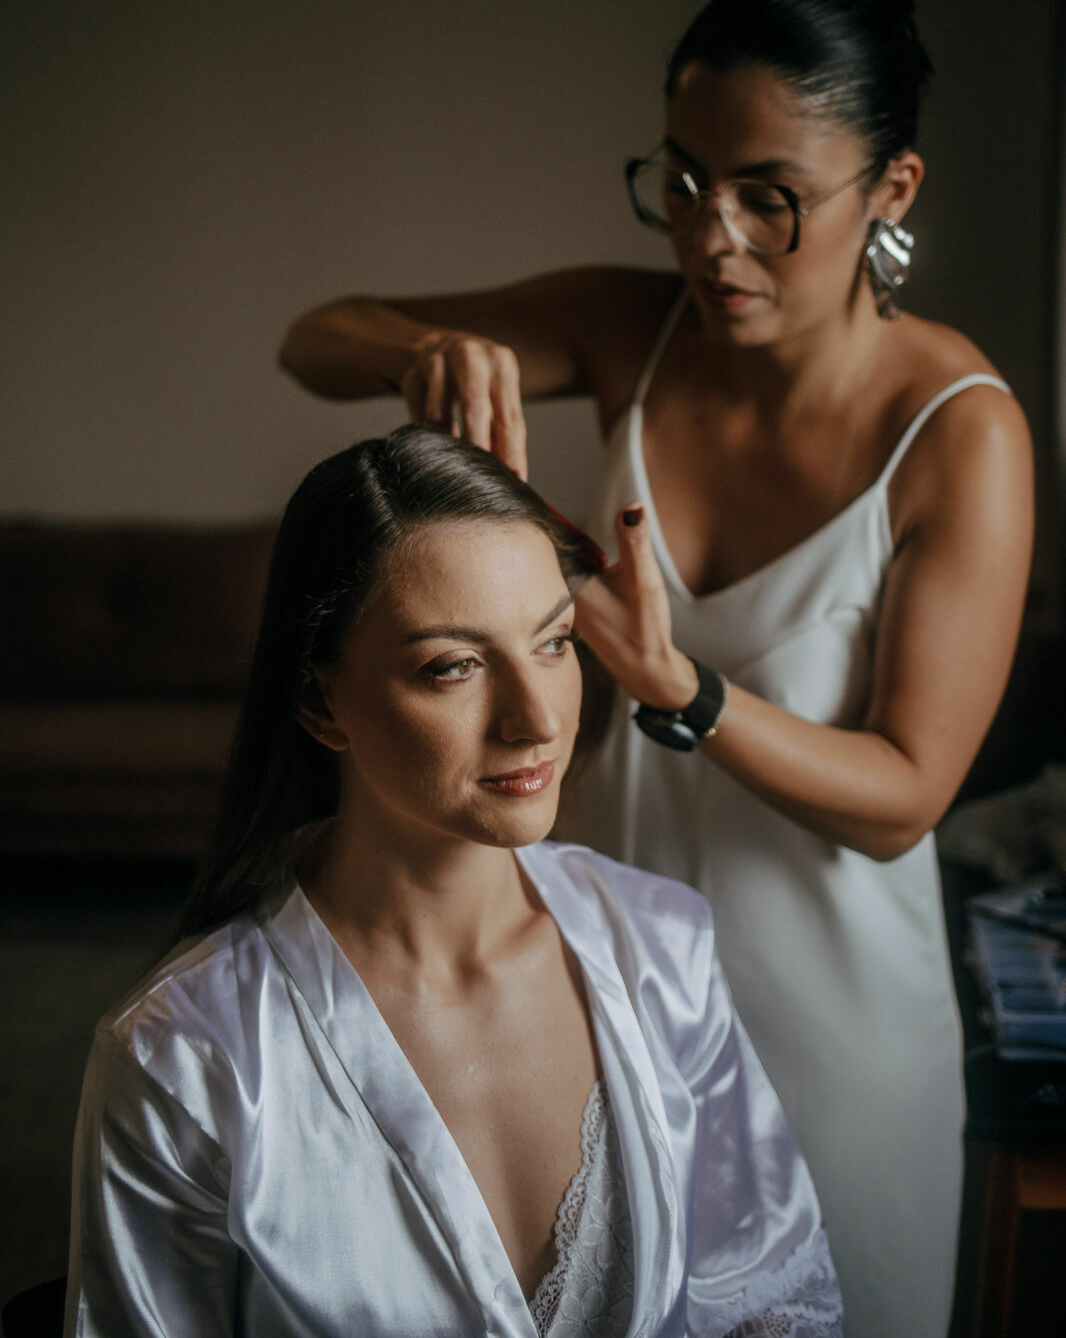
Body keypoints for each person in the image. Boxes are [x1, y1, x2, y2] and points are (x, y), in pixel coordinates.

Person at [277, 0, 1035, 1337]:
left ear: (892, 193)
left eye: (767, 199)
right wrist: (425, 349)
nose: (709, 240)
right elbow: (308, 338)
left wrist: (678, 691)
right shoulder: (637, 328)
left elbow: (906, 797)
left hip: (838, 1017)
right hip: (600, 975)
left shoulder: (961, 432)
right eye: (681, 180)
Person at [65, 425, 842, 1338]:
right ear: (321, 701)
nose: (535, 718)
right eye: (453, 667)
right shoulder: (186, 1061)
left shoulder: (661, 947)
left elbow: (769, 1299)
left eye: (554, 643)